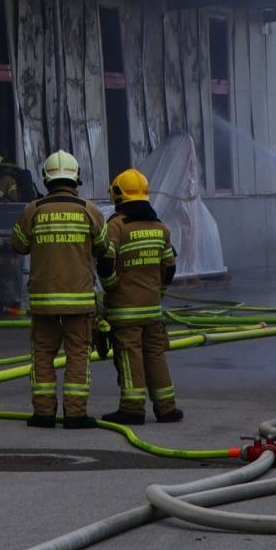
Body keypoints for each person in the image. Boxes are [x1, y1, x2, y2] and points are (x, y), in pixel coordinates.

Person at [11, 150, 104, 427]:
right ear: (76, 178)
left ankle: (43, 413)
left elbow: (18, 245)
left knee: (43, 354)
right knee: (78, 355)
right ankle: (75, 414)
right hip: (79, 300)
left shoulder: (33, 210)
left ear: (46, 178)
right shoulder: (89, 210)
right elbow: (103, 247)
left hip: (44, 301)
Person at [94, 168, 181, 425]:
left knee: (129, 356)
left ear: (118, 195)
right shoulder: (160, 227)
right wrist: (157, 292)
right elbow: (169, 268)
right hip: (152, 309)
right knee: (155, 355)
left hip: (125, 310)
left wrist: (111, 287)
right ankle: (167, 408)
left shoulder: (116, 227)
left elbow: (106, 265)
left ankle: (132, 408)